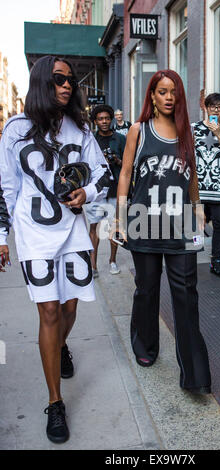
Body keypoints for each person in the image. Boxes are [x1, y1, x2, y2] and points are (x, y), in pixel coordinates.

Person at [0, 56, 110, 443]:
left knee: (69, 307)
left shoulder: (80, 128)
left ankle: (61, 346)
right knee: (48, 310)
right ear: (42, 81)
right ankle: (55, 403)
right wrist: (2, 236)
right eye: (59, 79)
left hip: (74, 231)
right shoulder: (16, 129)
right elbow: (6, 188)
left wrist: (88, 193)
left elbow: (103, 174)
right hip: (33, 233)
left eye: (71, 80)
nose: (67, 86)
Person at [111, 70, 211, 394]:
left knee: (186, 296)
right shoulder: (138, 131)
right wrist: (120, 217)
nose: (169, 97)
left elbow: (192, 174)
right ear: (152, 95)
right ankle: (146, 348)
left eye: (174, 92)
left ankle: (195, 375)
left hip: (180, 223)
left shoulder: (187, 133)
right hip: (144, 219)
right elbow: (125, 174)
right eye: (162, 91)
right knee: (147, 289)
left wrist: (198, 207)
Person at [193, 93, 220, 278]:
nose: (216, 110)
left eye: (219, 107)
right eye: (212, 106)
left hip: (219, 187)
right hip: (197, 186)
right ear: (206, 108)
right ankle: (189, 258)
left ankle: (216, 261)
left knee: (219, 224)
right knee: (194, 224)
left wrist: (218, 133)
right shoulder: (193, 128)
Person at [85, 104, 126, 277]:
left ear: (111, 119)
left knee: (113, 227)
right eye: (100, 119)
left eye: (107, 118)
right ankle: (93, 266)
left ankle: (112, 261)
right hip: (96, 190)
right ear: (95, 121)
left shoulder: (120, 139)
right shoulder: (90, 140)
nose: (104, 122)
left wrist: (117, 160)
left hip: (114, 189)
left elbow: (128, 166)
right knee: (94, 227)